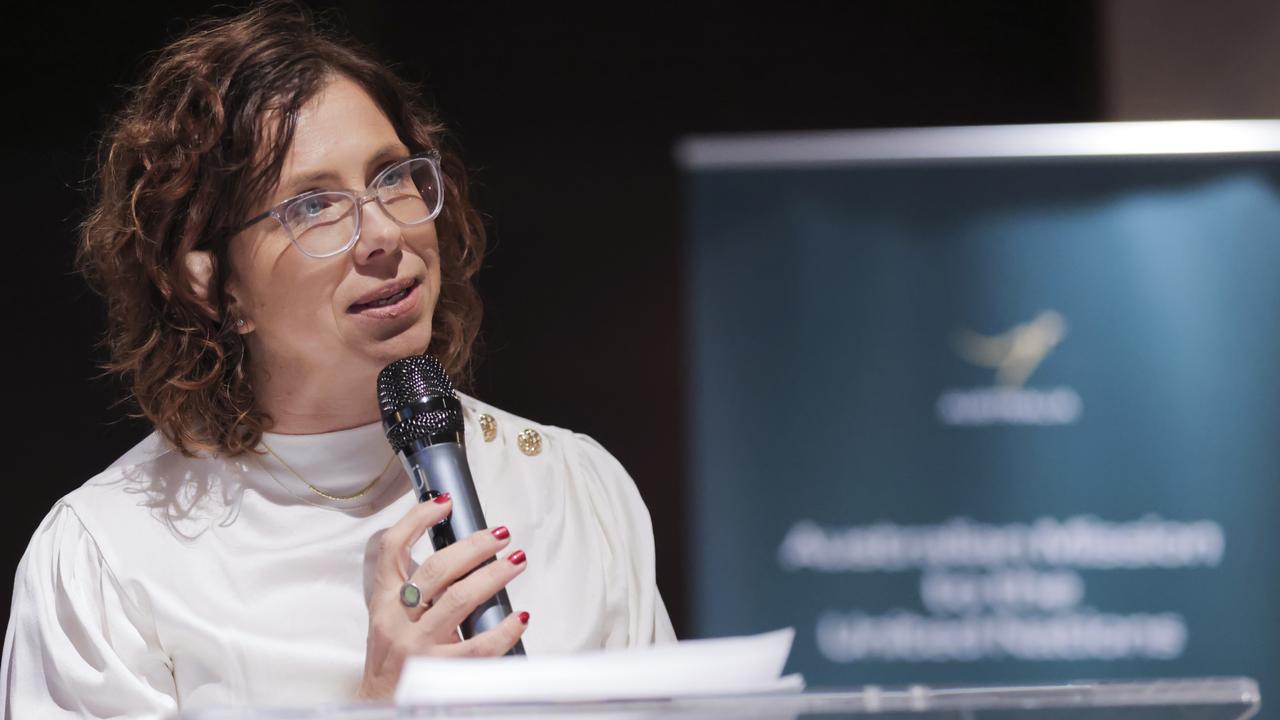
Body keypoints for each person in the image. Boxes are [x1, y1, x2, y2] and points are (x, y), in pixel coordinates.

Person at [0, 4, 675, 717]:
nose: (383, 233)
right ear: (210, 282)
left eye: (391, 177)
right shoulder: (111, 557)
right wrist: (379, 703)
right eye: (315, 205)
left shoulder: (574, 486)